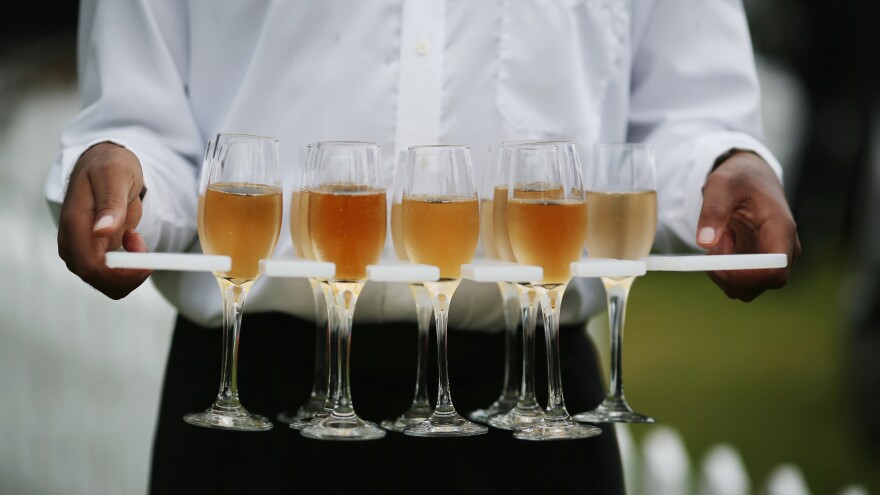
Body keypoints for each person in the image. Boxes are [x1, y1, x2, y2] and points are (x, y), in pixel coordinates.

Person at [47, 1, 801, 493]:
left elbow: (689, 112)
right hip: (260, 411)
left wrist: (723, 166)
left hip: (536, 416)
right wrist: (127, 176)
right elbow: (142, 120)